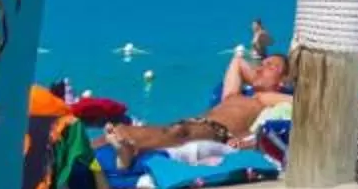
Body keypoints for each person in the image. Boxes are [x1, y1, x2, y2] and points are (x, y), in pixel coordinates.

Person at [113, 54, 292, 161]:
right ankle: (109, 143)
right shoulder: (232, 95)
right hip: (197, 123)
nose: (260, 68)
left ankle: (127, 144)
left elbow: (298, 103)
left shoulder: (266, 98)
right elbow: (237, 62)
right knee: (164, 129)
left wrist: (278, 84)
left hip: (220, 132)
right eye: (261, 64)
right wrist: (259, 76)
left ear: (283, 80)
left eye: (271, 66)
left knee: (178, 131)